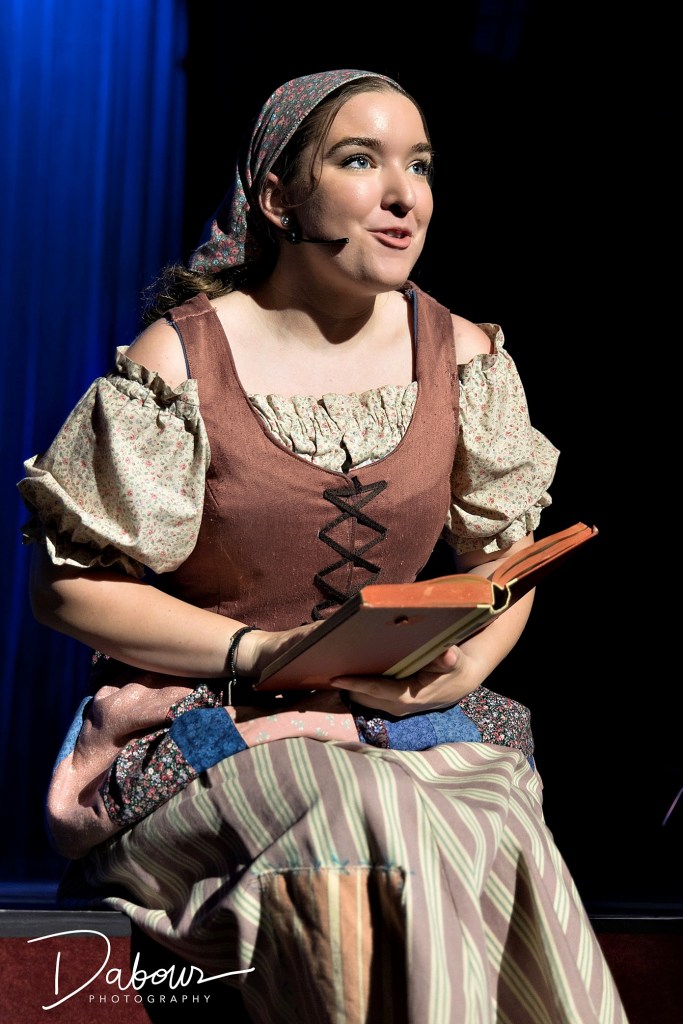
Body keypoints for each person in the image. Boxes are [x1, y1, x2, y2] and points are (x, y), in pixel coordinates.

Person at [18, 69, 628, 1023]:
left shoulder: (461, 353)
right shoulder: (180, 359)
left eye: (418, 165)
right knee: (363, 818)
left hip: (396, 727)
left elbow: (506, 562)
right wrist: (259, 652)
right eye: (359, 160)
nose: (403, 194)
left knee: (490, 819)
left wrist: (461, 668)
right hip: (213, 728)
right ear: (277, 198)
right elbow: (68, 593)